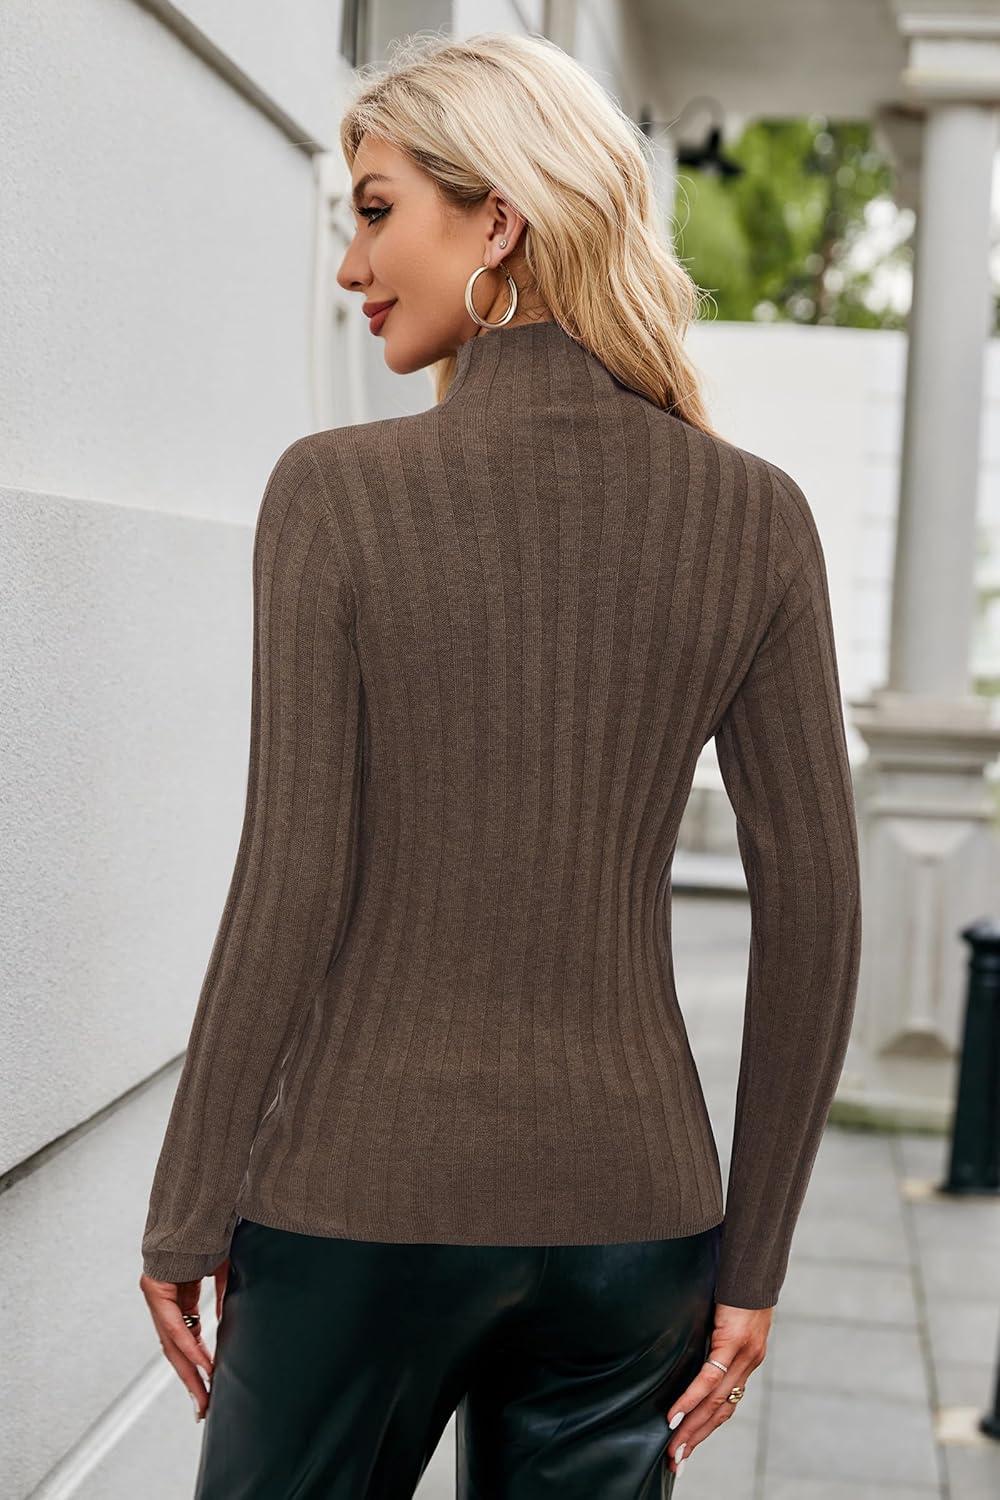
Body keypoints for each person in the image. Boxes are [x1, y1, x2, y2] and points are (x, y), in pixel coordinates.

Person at [138, 30, 862, 1500]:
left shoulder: (335, 495)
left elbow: (292, 875)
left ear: (499, 222)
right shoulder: (757, 516)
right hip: (636, 1227)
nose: (352, 267)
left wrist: (185, 1209)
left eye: (376, 209)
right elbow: (820, 911)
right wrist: (754, 1262)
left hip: (357, 1202)